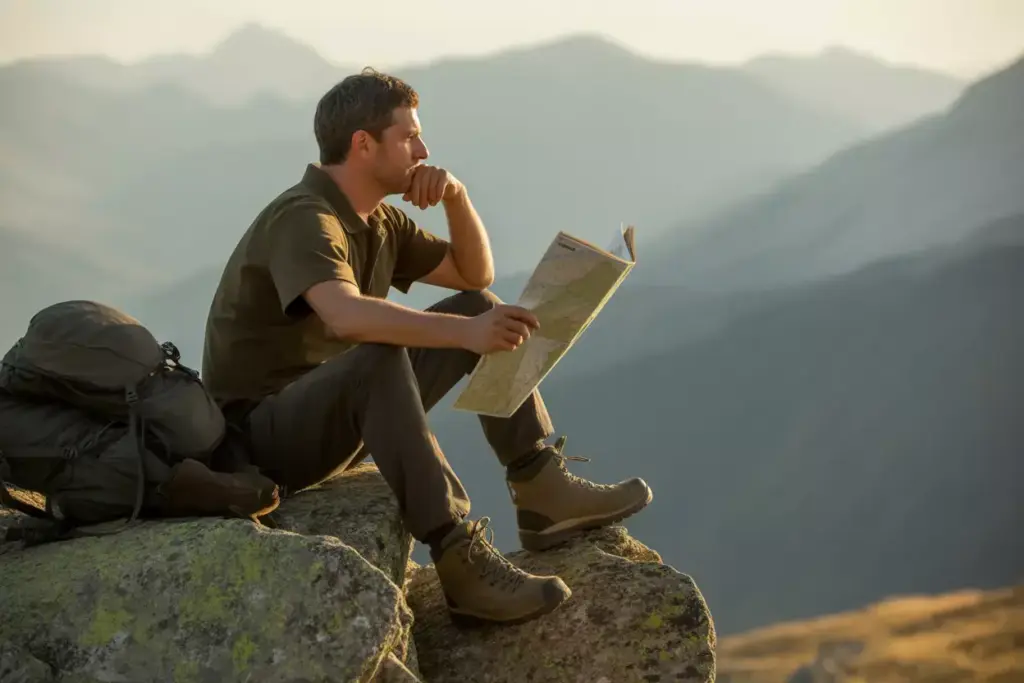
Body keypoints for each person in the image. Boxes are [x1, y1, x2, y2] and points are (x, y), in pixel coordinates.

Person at [200, 68, 653, 626]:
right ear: (363, 145)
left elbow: (471, 272)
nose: (424, 149)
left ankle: (540, 489)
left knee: (478, 304)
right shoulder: (306, 218)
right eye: (409, 136)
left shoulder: (379, 220)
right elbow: (343, 315)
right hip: (260, 439)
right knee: (382, 348)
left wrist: (456, 198)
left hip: (331, 415)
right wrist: (463, 336)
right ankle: (457, 555)